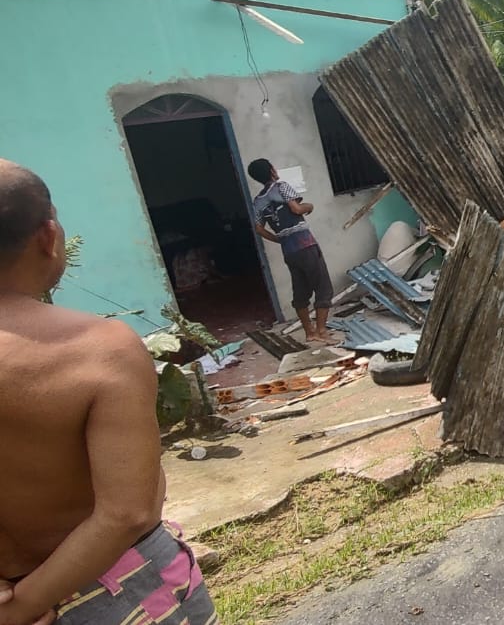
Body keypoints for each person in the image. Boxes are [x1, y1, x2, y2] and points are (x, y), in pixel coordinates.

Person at [0, 159, 215, 625]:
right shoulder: (98, 348)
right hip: (118, 594)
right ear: (48, 236)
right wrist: (21, 608)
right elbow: (127, 513)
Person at [248, 158, 333, 344]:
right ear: (271, 170)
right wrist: (309, 207)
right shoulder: (281, 186)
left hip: (290, 251)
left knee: (301, 290)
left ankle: (309, 333)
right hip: (306, 244)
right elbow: (296, 209)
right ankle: (321, 331)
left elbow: (259, 228)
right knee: (323, 288)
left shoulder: (258, 201)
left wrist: (279, 239)